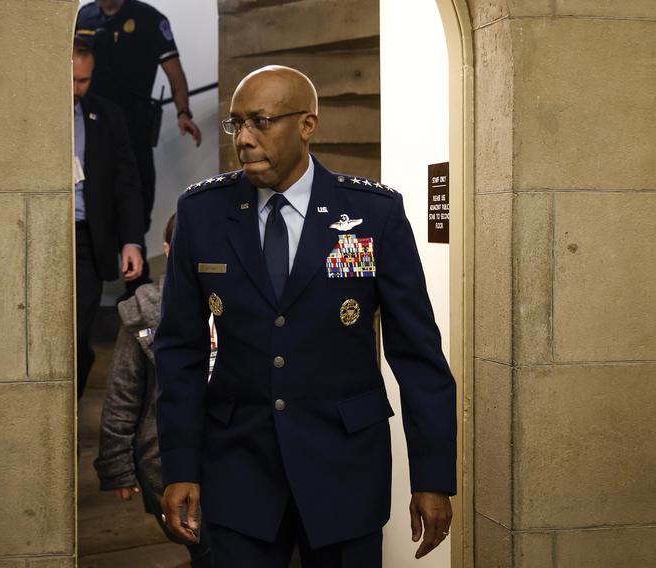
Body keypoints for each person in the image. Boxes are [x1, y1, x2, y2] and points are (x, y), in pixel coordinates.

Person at [154, 66, 456, 567]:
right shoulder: (201, 213)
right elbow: (179, 350)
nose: (245, 140)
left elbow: (418, 354)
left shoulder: (372, 214)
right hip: (239, 466)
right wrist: (180, 465)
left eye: (261, 122)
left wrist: (432, 477)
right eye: (236, 125)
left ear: (307, 125)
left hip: (344, 468)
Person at [93, 214, 212, 568]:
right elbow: (123, 393)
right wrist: (118, 466)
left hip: (230, 450)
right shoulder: (145, 312)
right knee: (207, 547)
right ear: (167, 250)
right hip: (165, 457)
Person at [76, 0, 203, 295]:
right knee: (94, 203)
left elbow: (175, 74)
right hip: (91, 129)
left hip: (133, 130)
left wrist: (183, 113)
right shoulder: (85, 15)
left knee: (136, 201)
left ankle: (136, 289)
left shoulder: (148, 18)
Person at [72, 38, 145, 400]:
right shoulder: (31, 120)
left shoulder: (106, 115)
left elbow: (126, 182)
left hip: (87, 240)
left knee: (78, 338)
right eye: (71, 79)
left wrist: (131, 241)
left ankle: (66, 416)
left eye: (84, 81)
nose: (76, 88)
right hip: (42, 234)